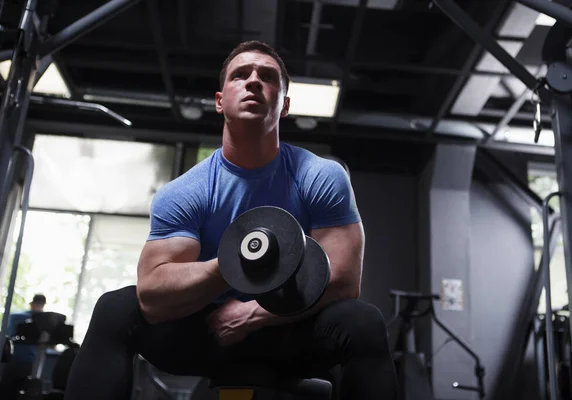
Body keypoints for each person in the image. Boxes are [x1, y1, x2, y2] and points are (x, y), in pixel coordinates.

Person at [64, 41, 399, 400]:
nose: (253, 81)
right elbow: (152, 294)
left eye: (267, 77)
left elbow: (343, 281)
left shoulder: (320, 176)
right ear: (220, 100)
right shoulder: (186, 191)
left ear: (284, 105)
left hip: (292, 328)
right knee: (116, 309)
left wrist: (254, 313)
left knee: (363, 322)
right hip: (208, 332)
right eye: (241, 75)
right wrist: (232, 266)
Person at [0, 294, 47, 399]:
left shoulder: (16, 317)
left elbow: (9, 335)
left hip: (17, 359)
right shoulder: (46, 322)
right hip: (28, 361)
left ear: (31, 303)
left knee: (8, 389)